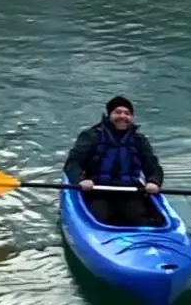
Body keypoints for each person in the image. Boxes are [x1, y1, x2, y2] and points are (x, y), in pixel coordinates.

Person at [62, 95, 165, 227]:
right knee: (99, 216)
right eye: (118, 112)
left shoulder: (139, 140)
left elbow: (153, 167)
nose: (122, 116)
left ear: (131, 118)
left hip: (130, 191)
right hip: (97, 191)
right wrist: (80, 180)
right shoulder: (91, 136)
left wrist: (154, 181)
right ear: (109, 115)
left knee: (141, 220)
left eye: (127, 113)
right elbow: (73, 163)